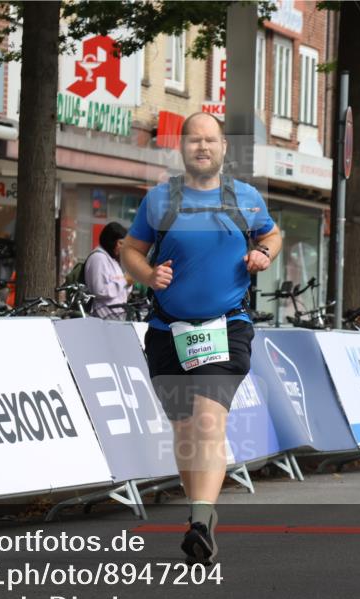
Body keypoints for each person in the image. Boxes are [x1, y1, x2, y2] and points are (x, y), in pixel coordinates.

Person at [121, 112, 282, 565]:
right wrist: (149, 274)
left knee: (209, 423)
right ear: (182, 147)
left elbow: (271, 233)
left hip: (227, 327)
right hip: (167, 331)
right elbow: (129, 250)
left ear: (223, 148)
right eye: (194, 140)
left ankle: (199, 521)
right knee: (185, 429)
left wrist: (263, 253)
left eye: (210, 140)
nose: (203, 148)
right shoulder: (160, 200)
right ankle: (200, 518)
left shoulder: (244, 199)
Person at [84, 221, 132, 319]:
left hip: (117, 314)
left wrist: (129, 282)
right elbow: (100, 290)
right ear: (111, 241)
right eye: (120, 243)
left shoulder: (113, 260)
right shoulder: (99, 258)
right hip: (103, 315)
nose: (122, 248)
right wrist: (124, 280)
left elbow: (120, 292)